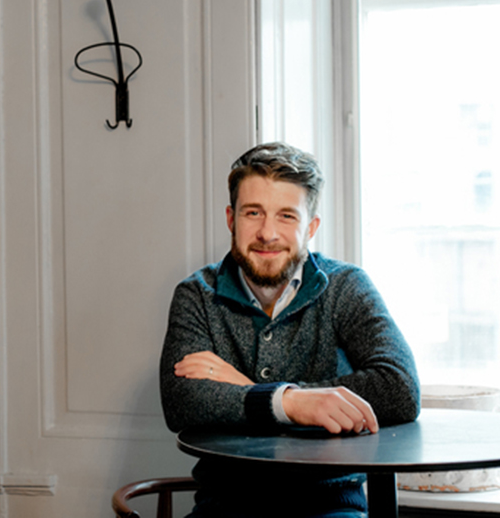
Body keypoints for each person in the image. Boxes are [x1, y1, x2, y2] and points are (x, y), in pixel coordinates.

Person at [159, 142, 420, 517]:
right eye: (253, 213)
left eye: (286, 216)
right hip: (225, 506)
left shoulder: (346, 286)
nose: (267, 233)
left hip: (330, 505)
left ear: (310, 227)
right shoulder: (196, 295)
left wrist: (248, 389)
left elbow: (400, 388)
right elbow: (181, 402)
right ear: (231, 219)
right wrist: (291, 403)